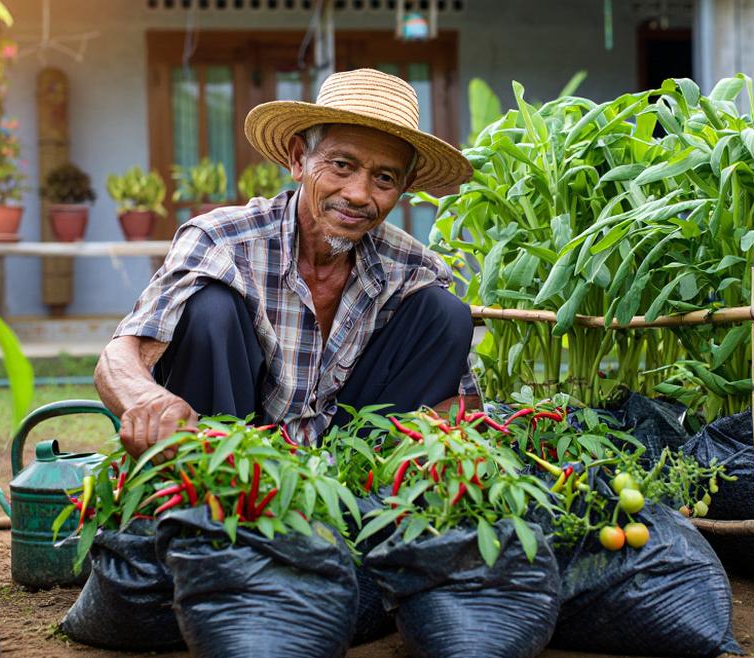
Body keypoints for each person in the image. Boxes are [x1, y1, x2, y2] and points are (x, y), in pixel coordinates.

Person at [95, 68, 479, 457]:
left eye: (384, 178)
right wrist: (148, 401)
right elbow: (125, 352)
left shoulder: (413, 268)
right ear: (299, 159)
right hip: (227, 454)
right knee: (210, 307)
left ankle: (370, 484)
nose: (359, 194)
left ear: (403, 188)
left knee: (445, 312)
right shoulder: (221, 240)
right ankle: (212, 478)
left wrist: (452, 431)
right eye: (341, 165)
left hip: (351, 456)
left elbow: (458, 399)